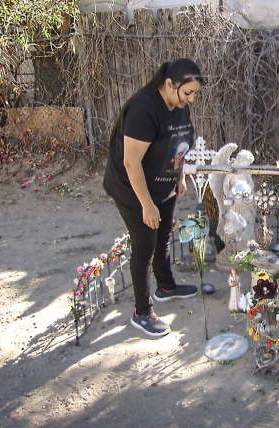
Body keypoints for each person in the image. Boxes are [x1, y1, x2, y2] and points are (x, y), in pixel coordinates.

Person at [103, 58, 204, 337]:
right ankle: (142, 311)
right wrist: (147, 204)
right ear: (169, 84)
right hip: (133, 188)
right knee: (145, 243)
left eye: (195, 93)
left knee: (164, 234)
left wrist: (179, 174)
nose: (191, 99)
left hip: (163, 181)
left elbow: (179, 141)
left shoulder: (179, 106)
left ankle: (166, 286)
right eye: (187, 93)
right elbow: (131, 163)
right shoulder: (143, 111)